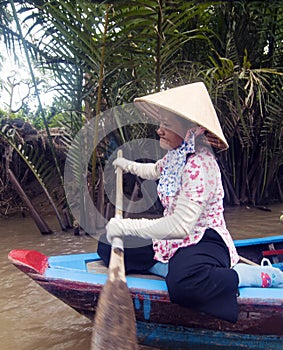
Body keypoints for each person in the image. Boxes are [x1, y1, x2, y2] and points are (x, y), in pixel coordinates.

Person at [99, 82, 283, 323]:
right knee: (106, 245)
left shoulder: (200, 164)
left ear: (190, 130)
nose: (159, 131)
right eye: (161, 124)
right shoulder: (177, 155)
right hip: (175, 239)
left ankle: (246, 274)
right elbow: (154, 170)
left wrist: (126, 226)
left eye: (167, 125)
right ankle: (168, 266)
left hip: (205, 237)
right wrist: (127, 166)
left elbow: (180, 227)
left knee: (183, 285)